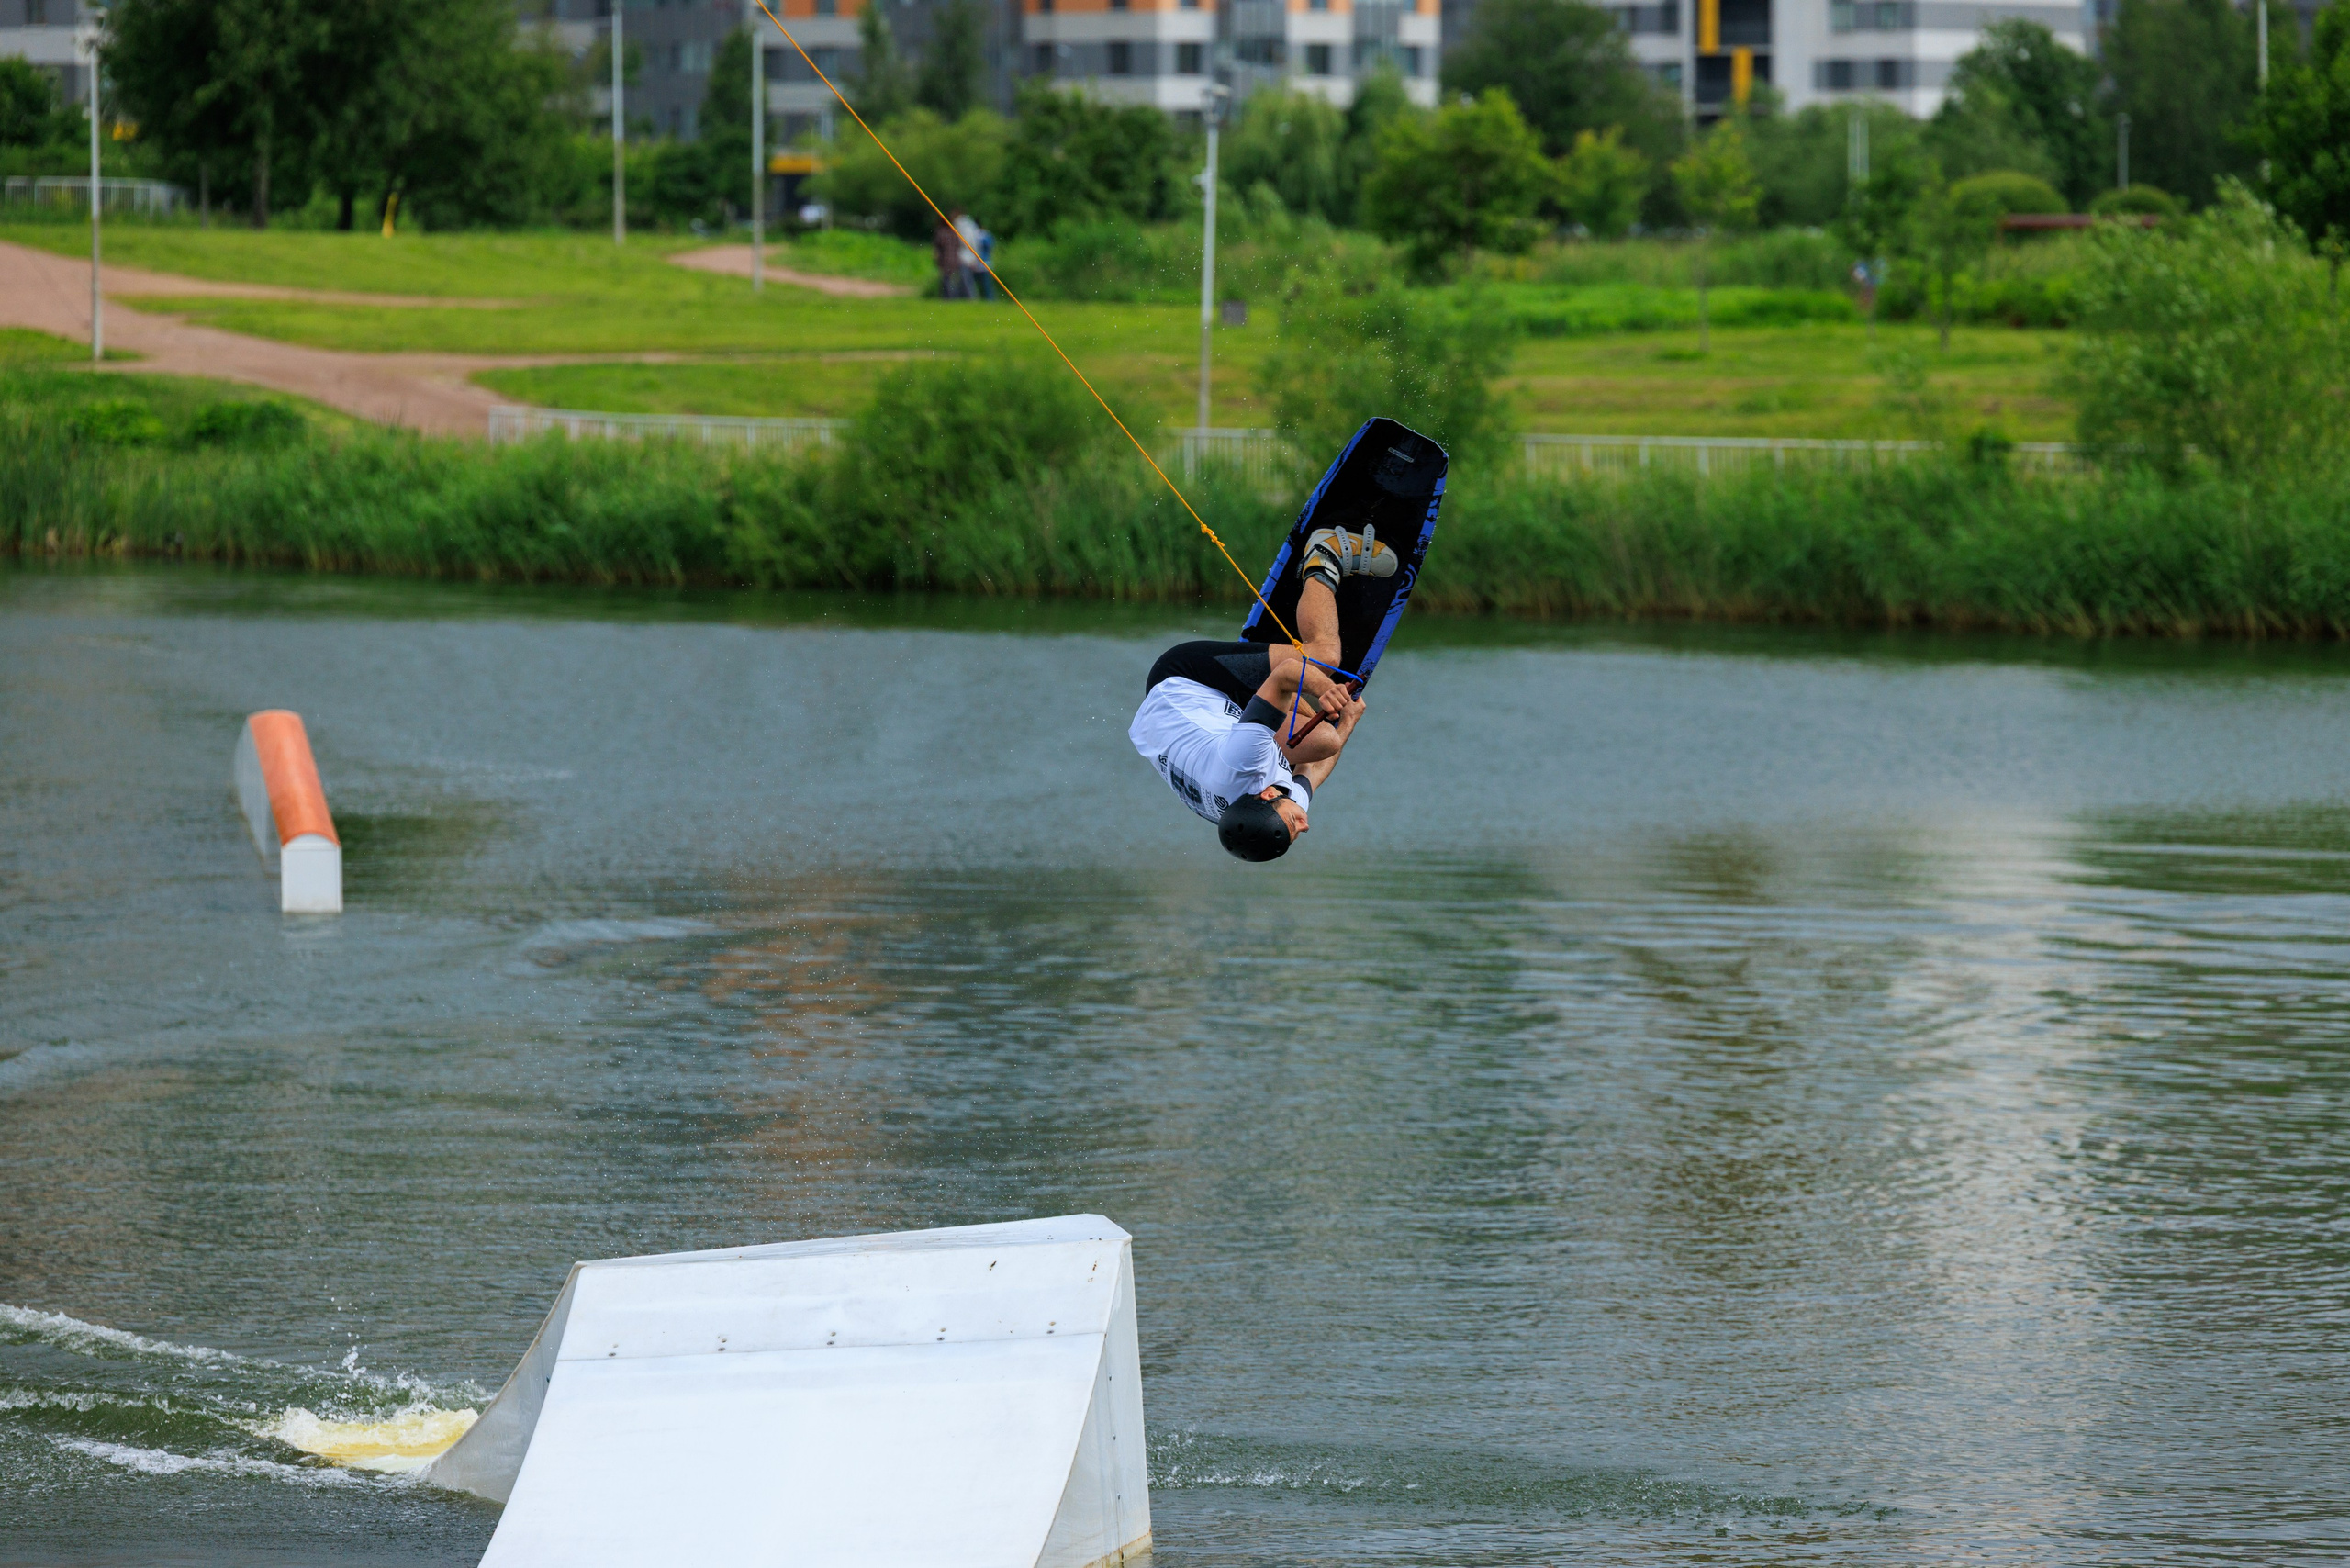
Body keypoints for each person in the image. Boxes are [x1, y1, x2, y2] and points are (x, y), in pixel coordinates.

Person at [1129, 526, 1395, 862]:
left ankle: (1324, 554)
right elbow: (1312, 772)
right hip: (1216, 725)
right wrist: (1349, 721)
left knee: (1325, 658)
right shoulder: (1254, 811)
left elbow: (1287, 675)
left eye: (1294, 823)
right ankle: (1269, 698)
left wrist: (1326, 689)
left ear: (1267, 794)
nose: (1305, 824)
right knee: (1326, 741)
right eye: (1296, 831)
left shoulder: (1240, 763)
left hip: (1183, 680)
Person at [933, 215, 968, 300]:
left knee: (946, 280)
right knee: (954, 281)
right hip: (956, 260)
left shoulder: (941, 233)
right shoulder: (954, 233)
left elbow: (937, 248)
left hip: (945, 260)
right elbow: (959, 246)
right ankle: (955, 297)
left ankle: (948, 298)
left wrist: (936, 259)